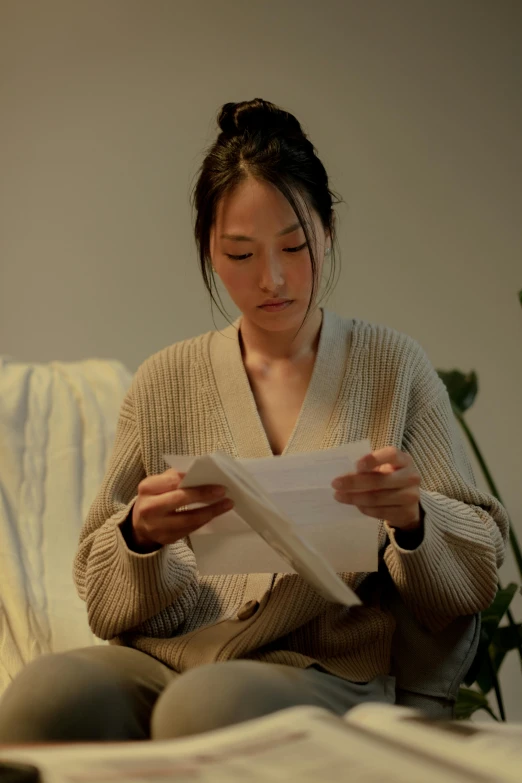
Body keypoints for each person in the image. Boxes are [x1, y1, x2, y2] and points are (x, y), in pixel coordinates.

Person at [0, 98, 508, 743]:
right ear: (211, 252)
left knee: (209, 708)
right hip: (170, 655)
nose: (272, 279)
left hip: (328, 669)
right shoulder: (164, 380)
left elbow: (476, 573)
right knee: (45, 696)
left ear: (327, 231)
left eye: (293, 247)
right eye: (240, 256)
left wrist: (413, 519)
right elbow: (103, 599)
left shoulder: (392, 367)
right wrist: (138, 536)